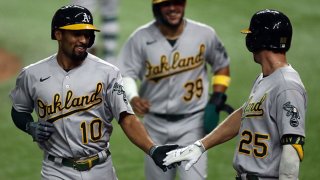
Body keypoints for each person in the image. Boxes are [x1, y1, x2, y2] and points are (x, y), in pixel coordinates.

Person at [9, 5, 179, 180]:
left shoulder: (108, 73)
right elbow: (19, 110)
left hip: (101, 170)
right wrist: (30, 126)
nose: (84, 40)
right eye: (77, 34)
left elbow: (126, 117)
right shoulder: (32, 74)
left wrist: (153, 148)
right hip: (56, 171)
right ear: (58, 34)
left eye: (88, 34)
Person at [163, 9, 307, 180]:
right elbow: (245, 114)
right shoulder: (265, 78)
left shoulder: (287, 86)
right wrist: (200, 146)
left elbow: (292, 150)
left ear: (259, 39)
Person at [116, 0, 231, 179]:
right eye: (166, 4)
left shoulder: (204, 34)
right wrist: (132, 96)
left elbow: (222, 65)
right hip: (154, 126)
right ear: (156, 8)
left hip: (193, 124)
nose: (173, 8)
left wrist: (217, 96)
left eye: (177, 2)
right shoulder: (140, 37)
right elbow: (125, 73)